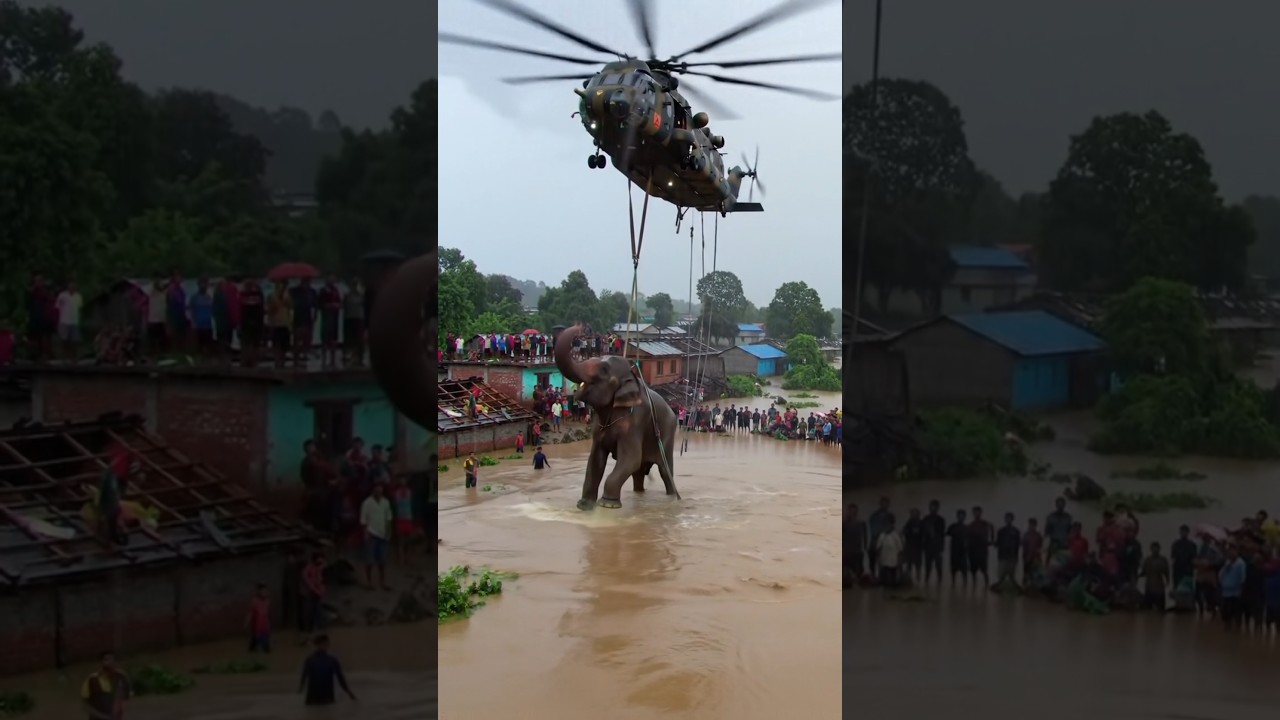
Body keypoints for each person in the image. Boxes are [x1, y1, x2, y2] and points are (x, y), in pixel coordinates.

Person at [298, 635, 356, 706]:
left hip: (322, 697)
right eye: (322, 644)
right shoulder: (312, 660)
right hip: (318, 698)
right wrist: (349, 692)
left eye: (325, 644)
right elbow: (304, 676)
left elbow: (340, 678)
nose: (324, 646)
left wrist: (348, 692)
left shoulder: (330, 660)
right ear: (316, 645)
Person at [360, 482, 393, 589]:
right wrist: (366, 534)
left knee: (382, 561)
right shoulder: (367, 503)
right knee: (370, 561)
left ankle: (382, 582)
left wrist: (388, 532)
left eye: (380, 489)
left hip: (383, 534)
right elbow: (363, 520)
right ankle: (369, 582)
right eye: (377, 489)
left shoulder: (385, 502)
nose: (379, 491)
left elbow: (388, 519)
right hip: (371, 534)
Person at [81, 651, 131, 720]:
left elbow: (125, 699)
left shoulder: (121, 677)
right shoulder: (92, 680)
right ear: (101, 663)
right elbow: (85, 704)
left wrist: (116, 713)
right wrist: (102, 716)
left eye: (113, 659)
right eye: (107, 659)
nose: (110, 662)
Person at [1219, 544, 1247, 630]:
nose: (1231, 552)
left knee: (1236, 610)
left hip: (1236, 591)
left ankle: (1237, 627)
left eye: (1233, 551)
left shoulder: (1240, 563)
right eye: (1230, 551)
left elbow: (1243, 578)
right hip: (1225, 591)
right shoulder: (1227, 562)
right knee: (1225, 610)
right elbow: (1221, 574)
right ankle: (1227, 626)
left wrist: (1241, 590)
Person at [291, 277, 318, 367]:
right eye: (305, 281)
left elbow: (315, 305)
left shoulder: (312, 292)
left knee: (307, 339)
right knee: (297, 338)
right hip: (297, 317)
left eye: (308, 281)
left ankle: (304, 354)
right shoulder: (294, 291)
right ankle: (296, 358)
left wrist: (315, 316)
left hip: (308, 317)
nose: (306, 283)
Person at [239, 278, 265, 367]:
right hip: (246, 322)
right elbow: (240, 309)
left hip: (255, 322)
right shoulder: (242, 295)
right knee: (247, 342)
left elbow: (261, 309)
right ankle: (246, 361)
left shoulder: (258, 295)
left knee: (254, 343)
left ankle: (252, 361)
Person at [55, 280, 84, 359]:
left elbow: (79, 309)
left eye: (74, 285)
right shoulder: (62, 295)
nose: (72, 287)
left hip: (75, 322)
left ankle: (73, 358)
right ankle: (64, 358)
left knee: (75, 341)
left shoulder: (79, 296)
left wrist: (79, 320)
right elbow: (57, 308)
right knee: (64, 341)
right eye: (70, 285)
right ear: (67, 286)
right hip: (64, 321)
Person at [267, 282, 293, 368]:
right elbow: (270, 311)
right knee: (277, 345)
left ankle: (283, 362)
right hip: (276, 323)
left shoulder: (287, 296)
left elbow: (291, 307)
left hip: (285, 323)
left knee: (284, 345)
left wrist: (287, 301)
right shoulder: (272, 297)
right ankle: (277, 362)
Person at [318, 276, 343, 368]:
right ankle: (324, 360)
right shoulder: (323, 291)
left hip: (334, 317)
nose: (332, 282)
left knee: (333, 339)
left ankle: (332, 360)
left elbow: (340, 303)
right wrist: (331, 305)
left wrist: (337, 305)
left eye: (333, 280)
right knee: (325, 339)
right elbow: (321, 304)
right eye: (330, 280)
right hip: (326, 317)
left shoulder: (335, 290)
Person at [392, 475, 416, 564]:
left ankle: (407, 558)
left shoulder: (409, 492)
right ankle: (401, 559)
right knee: (401, 540)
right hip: (401, 518)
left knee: (408, 540)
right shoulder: (397, 493)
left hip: (408, 518)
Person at [920, 500, 946, 585]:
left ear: (937, 508)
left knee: (938, 567)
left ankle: (940, 583)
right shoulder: (925, 519)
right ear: (929, 507)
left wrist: (941, 547)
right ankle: (926, 582)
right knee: (928, 566)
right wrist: (923, 546)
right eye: (931, 506)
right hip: (928, 546)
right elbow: (922, 533)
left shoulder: (941, 520)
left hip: (937, 546)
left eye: (934, 507)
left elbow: (942, 535)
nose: (932, 508)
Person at [188, 278, 215, 360]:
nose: (204, 286)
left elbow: (212, 311)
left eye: (205, 284)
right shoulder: (194, 298)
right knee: (199, 347)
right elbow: (191, 311)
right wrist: (193, 324)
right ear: (199, 285)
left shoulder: (209, 297)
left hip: (208, 325)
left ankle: (207, 362)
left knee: (208, 346)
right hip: (198, 326)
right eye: (202, 284)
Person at [300, 553, 327, 636]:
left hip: (316, 594)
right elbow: (309, 583)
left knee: (318, 611)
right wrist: (318, 591)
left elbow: (320, 581)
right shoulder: (307, 570)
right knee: (309, 612)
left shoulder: (318, 568)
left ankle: (318, 629)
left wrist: (321, 590)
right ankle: (308, 630)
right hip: (308, 594)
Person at [867, 497, 894, 576]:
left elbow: (892, 530)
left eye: (886, 504)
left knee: (884, 564)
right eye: (883, 504)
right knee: (873, 564)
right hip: (875, 543)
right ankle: (873, 578)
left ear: (889, 505)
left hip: (886, 544)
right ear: (880, 504)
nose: (885, 506)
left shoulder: (890, 516)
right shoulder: (874, 516)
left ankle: (882, 580)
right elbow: (873, 530)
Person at [1139, 542, 1170, 611]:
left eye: (1156, 548)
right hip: (1149, 586)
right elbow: (1143, 572)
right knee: (1148, 609)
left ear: (1159, 549)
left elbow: (1167, 572)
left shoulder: (1163, 560)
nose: (1155, 550)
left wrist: (1168, 581)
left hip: (1159, 587)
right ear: (1151, 549)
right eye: (1153, 548)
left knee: (1160, 609)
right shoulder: (1147, 560)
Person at [968, 506, 994, 587]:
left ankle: (987, 586)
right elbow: (967, 537)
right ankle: (974, 586)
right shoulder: (971, 525)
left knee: (984, 571)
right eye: (975, 512)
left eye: (978, 512)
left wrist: (991, 540)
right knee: (973, 571)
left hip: (982, 551)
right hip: (973, 551)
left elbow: (992, 527)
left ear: (981, 513)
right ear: (973, 513)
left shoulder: (985, 523)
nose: (976, 514)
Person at [994, 512, 1021, 589]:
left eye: (1009, 518)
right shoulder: (1001, 531)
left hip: (1012, 557)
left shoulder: (1016, 531)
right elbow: (997, 543)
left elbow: (1018, 544)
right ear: (1005, 520)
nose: (1008, 520)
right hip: (1002, 556)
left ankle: (1016, 589)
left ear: (1012, 520)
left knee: (1012, 576)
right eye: (1007, 518)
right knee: (1001, 576)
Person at [874, 518, 904, 587]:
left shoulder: (895, 535)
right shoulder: (882, 535)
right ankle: (885, 585)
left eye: (888, 525)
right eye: (885, 525)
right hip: (884, 558)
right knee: (885, 573)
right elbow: (878, 547)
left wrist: (900, 559)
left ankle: (892, 585)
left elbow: (900, 548)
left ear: (892, 525)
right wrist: (877, 557)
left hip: (893, 559)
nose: (886, 526)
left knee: (893, 573)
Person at [843, 503, 868, 587]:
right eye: (851, 511)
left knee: (858, 570)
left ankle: (857, 585)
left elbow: (865, 536)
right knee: (846, 569)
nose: (853, 513)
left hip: (858, 550)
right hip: (847, 550)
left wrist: (865, 547)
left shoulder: (861, 523)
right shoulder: (844, 524)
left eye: (854, 511)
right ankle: (848, 583)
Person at [343, 279, 365, 366]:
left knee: (359, 339)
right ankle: (350, 356)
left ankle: (359, 358)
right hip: (349, 318)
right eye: (353, 285)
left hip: (359, 318)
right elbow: (344, 306)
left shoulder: (362, 295)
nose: (354, 286)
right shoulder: (347, 295)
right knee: (350, 339)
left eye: (356, 284)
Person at [245, 583, 272, 653]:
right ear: (259, 592)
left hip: (265, 628)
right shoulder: (254, 601)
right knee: (254, 645)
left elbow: (268, 615)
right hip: (257, 628)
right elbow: (250, 614)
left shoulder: (267, 601)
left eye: (266, 591)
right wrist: (246, 623)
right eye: (263, 591)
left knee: (266, 649)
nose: (265, 593)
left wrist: (269, 627)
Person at [145, 277, 168, 358]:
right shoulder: (151, 292)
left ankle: (161, 356)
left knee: (162, 340)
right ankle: (153, 356)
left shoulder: (164, 293)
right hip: (152, 320)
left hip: (161, 320)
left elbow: (166, 287)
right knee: (153, 340)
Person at [946, 508, 969, 586]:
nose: (961, 518)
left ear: (964, 517)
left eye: (962, 516)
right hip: (954, 551)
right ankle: (953, 584)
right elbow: (946, 534)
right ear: (957, 516)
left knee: (964, 571)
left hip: (963, 552)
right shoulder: (952, 526)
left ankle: (965, 585)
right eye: (959, 516)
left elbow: (970, 540)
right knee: (953, 570)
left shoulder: (967, 528)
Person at [901, 509, 923, 579]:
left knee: (918, 564)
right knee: (909, 563)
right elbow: (903, 532)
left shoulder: (921, 523)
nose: (913, 515)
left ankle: (918, 578)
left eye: (915, 514)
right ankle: (909, 578)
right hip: (909, 545)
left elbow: (924, 533)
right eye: (912, 514)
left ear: (918, 515)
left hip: (918, 546)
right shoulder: (909, 522)